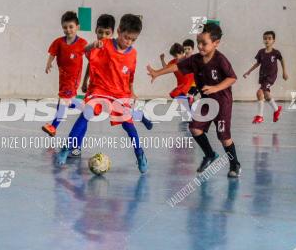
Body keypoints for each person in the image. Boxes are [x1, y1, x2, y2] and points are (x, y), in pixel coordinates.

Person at [147, 22, 241, 177]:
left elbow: (232, 78)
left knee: (224, 138)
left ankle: (234, 164)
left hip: (222, 103)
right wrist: (157, 72)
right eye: (198, 43)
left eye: (204, 44)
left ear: (216, 43)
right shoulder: (195, 60)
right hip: (206, 102)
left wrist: (216, 88)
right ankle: (210, 155)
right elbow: (176, 66)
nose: (200, 47)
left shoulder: (220, 60)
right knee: (195, 128)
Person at [57, 14, 148, 173]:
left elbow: (130, 75)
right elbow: (83, 51)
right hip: (99, 89)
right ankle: (67, 147)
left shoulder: (133, 54)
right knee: (86, 113)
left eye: (133, 40)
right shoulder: (104, 44)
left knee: (128, 126)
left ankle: (140, 154)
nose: (128, 42)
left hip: (119, 94)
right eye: (126, 37)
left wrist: (132, 92)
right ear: (119, 31)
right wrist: (93, 46)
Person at [42, 11, 87, 137]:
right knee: (65, 100)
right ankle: (84, 105)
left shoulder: (82, 43)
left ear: (77, 27)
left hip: (73, 80)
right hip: (62, 78)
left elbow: (91, 55)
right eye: (65, 27)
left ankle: (53, 126)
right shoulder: (59, 42)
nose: (68, 30)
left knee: (64, 100)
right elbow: (52, 53)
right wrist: (48, 63)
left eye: (71, 27)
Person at [243, 30, 287, 124]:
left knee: (259, 92)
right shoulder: (261, 52)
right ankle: (276, 110)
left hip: (271, 76)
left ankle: (260, 116)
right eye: (265, 38)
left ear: (273, 40)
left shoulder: (276, 52)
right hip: (263, 76)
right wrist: (248, 72)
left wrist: (284, 72)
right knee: (266, 94)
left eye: (269, 38)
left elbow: (282, 60)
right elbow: (258, 63)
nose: (267, 40)